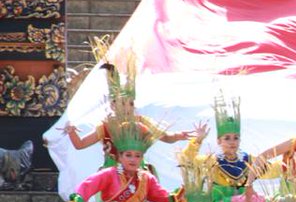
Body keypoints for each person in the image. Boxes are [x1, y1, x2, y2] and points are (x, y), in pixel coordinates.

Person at [61, 51, 196, 169]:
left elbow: (165, 137)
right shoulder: (106, 126)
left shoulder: (141, 122)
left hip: (137, 171)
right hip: (112, 173)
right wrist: (71, 131)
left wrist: (178, 135)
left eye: (131, 104)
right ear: (113, 106)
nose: (128, 108)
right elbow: (80, 144)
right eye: (123, 103)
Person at [179, 93, 264, 202]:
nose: (232, 142)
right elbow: (187, 161)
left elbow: (272, 169)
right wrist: (198, 140)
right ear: (219, 141)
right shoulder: (211, 161)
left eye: (235, 138)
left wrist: (292, 160)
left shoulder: (248, 160)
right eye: (227, 138)